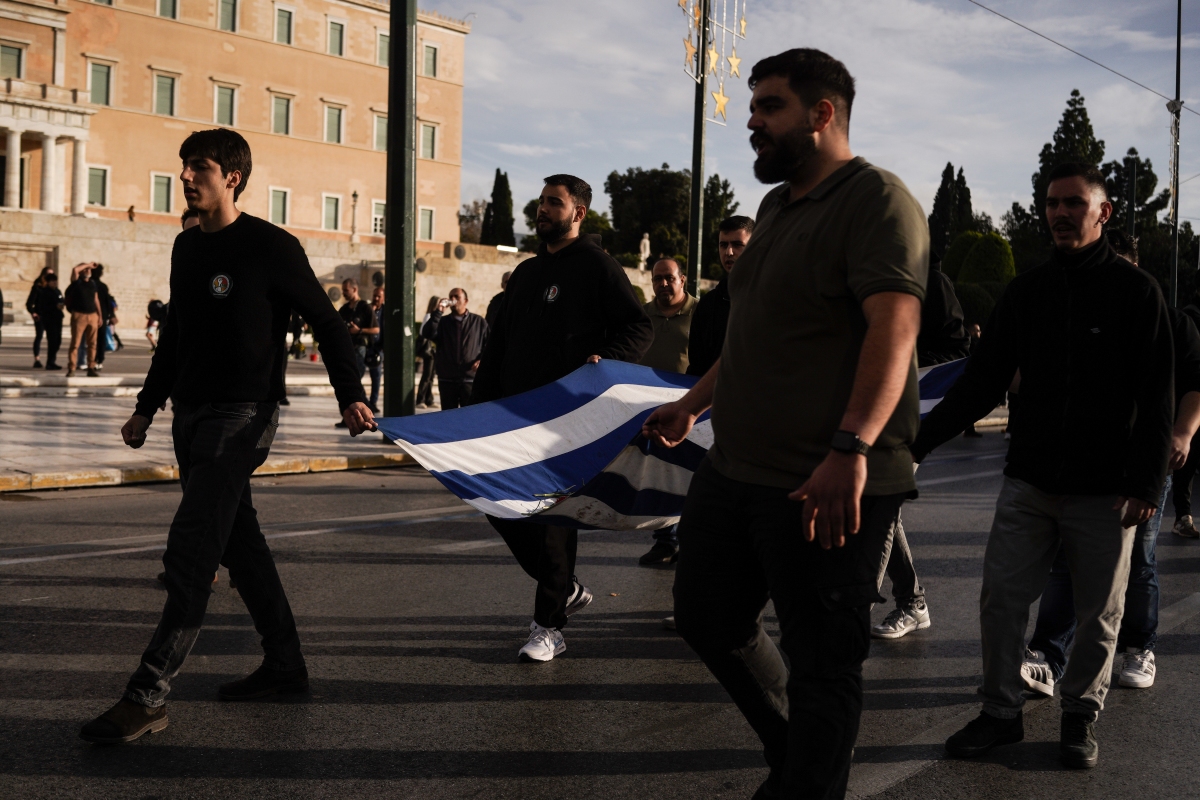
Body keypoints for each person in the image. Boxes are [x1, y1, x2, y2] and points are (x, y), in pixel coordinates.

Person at [642, 49, 929, 798]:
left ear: (822, 114)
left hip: (823, 481)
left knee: (824, 664)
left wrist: (851, 448)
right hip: (735, 470)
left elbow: (894, 328)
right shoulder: (773, 208)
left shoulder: (878, 200)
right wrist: (692, 403)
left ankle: (806, 781)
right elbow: (753, 333)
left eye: (769, 107)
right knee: (706, 617)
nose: (753, 122)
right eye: (753, 107)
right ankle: (797, 756)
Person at [78, 128, 375, 745]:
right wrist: (146, 407)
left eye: (200, 167)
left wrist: (350, 393)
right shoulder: (186, 248)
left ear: (232, 177)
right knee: (240, 542)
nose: (186, 177)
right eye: (184, 166)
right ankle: (285, 665)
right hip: (190, 414)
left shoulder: (272, 246)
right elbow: (177, 336)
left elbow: (328, 323)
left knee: (192, 549)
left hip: (242, 416)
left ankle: (147, 697)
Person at [911, 162, 1173, 771]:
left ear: (1103, 211)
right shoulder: (1026, 292)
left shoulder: (1138, 294)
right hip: (1028, 483)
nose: (1059, 213)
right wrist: (917, 445)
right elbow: (981, 383)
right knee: (1001, 600)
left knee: (1099, 612)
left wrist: (1145, 482)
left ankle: (1080, 715)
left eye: (1073, 203)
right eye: (1051, 203)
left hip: (1106, 492)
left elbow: (1157, 398)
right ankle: (1000, 712)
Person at [473, 173, 652, 663]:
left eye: (554, 202)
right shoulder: (526, 273)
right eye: (542, 201)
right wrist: (477, 406)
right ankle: (566, 588)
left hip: (566, 420)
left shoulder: (598, 267)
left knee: (554, 520)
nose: (543, 210)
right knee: (497, 504)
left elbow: (637, 327)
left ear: (579, 213)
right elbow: (498, 346)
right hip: (512, 416)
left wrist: (606, 361)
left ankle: (548, 626)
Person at [1019, 229, 1200, 698]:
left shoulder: (1171, 321)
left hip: (1144, 463)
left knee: (1138, 559)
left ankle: (1138, 647)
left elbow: (1195, 384)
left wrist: (1182, 433)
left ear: (1134, 268)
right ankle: (1048, 656)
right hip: (1085, 464)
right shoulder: (1080, 314)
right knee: (1066, 561)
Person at [871, 255, 972, 640]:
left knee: (881, 503)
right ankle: (912, 602)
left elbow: (956, 352)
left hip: (906, 417)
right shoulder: (855, 276)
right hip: (864, 412)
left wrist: (901, 370)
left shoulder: (931, 281)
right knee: (881, 506)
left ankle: (852, 608)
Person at [637, 257, 698, 567]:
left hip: (693, 410)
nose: (663, 284)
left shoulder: (700, 312)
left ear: (682, 279)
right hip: (650, 409)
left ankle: (692, 542)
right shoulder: (642, 315)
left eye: (669, 278)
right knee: (660, 476)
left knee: (691, 477)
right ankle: (665, 541)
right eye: (657, 279)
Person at [685, 216, 754, 378]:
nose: (729, 252)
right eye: (723, 245)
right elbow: (697, 365)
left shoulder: (772, 300)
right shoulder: (708, 305)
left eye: (737, 245)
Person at [421, 288, 488, 410]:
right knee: (448, 416)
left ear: (466, 301)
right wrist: (438, 312)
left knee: (470, 415)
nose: (453, 299)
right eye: (451, 296)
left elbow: (488, 345)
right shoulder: (442, 322)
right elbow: (427, 333)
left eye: (457, 297)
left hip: (469, 379)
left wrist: (481, 360)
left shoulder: (479, 322)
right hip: (447, 379)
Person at [1172, 290, 1200, 538]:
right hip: (1190, 403)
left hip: (1190, 402)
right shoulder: (1189, 319)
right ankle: (1183, 516)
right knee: (1186, 461)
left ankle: (1183, 516)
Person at [334, 278, 376, 428]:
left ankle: (364, 412)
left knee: (352, 381)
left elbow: (376, 329)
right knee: (350, 382)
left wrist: (359, 330)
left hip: (359, 349)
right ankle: (363, 412)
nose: (343, 293)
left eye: (346, 290)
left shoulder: (365, 307)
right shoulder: (344, 309)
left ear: (355, 289)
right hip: (346, 350)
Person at [64, 262, 102, 378]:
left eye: (89, 269)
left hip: (92, 315)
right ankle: (72, 368)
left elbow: (96, 299)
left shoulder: (92, 283)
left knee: (92, 344)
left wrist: (100, 315)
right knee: (75, 344)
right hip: (79, 315)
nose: (88, 270)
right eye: (85, 269)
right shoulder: (77, 282)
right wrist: (88, 264)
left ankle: (91, 367)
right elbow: (75, 269)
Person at [26, 267, 63, 369]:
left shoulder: (56, 290)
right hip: (41, 316)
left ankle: (51, 361)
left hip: (54, 317)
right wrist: (33, 313)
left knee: (56, 340)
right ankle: (37, 359)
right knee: (40, 336)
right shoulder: (38, 288)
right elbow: (30, 303)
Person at [416, 295, 440, 409]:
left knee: (431, 376)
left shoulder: (438, 316)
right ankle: (420, 399)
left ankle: (429, 399)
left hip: (434, 351)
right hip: (428, 351)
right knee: (426, 376)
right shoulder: (429, 316)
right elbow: (423, 332)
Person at [366, 286, 385, 413]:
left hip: (378, 348)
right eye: (375, 296)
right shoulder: (367, 309)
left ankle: (373, 402)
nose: (376, 298)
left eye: (379, 296)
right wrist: (370, 312)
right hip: (366, 346)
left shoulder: (386, 311)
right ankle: (362, 400)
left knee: (376, 375)